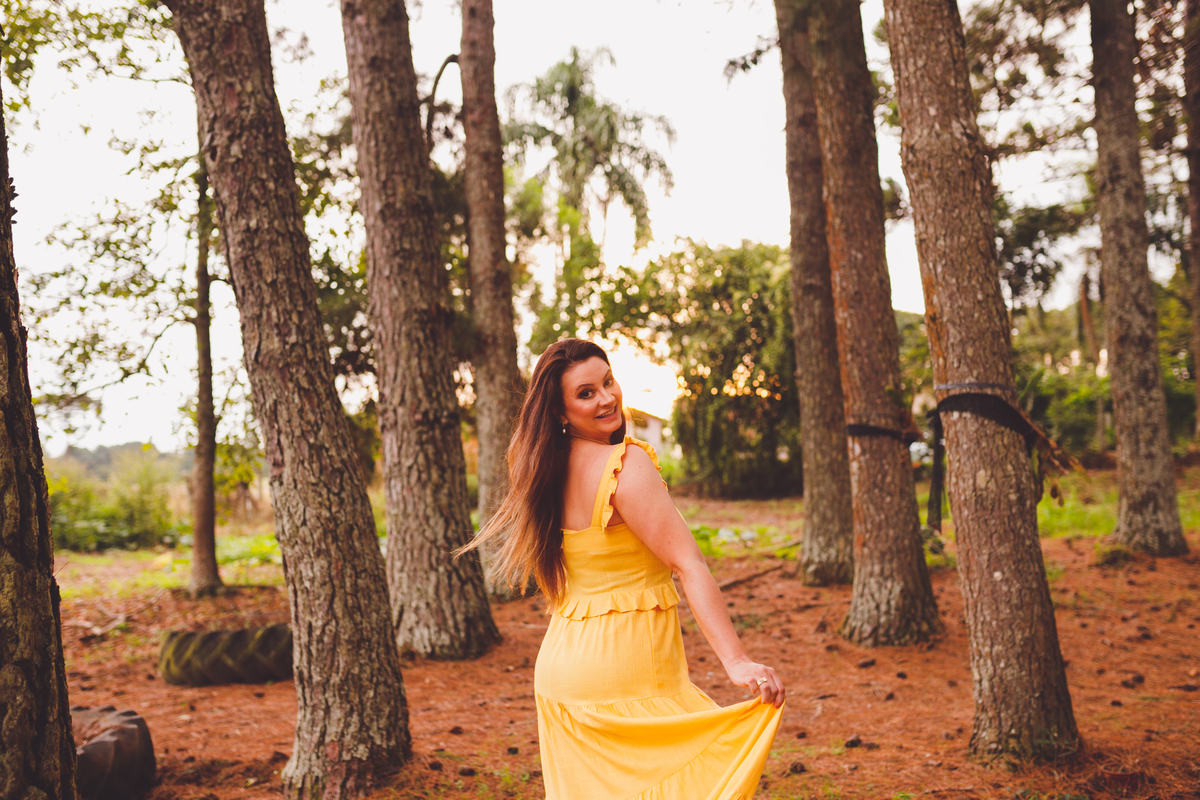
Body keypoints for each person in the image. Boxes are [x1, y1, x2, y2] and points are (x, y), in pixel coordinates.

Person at [459, 338, 784, 799]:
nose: (607, 398)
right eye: (586, 393)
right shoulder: (626, 466)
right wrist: (734, 660)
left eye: (607, 381)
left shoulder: (543, 470)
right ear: (560, 411)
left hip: (561, 675)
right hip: (626, 675)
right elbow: (688, 563)